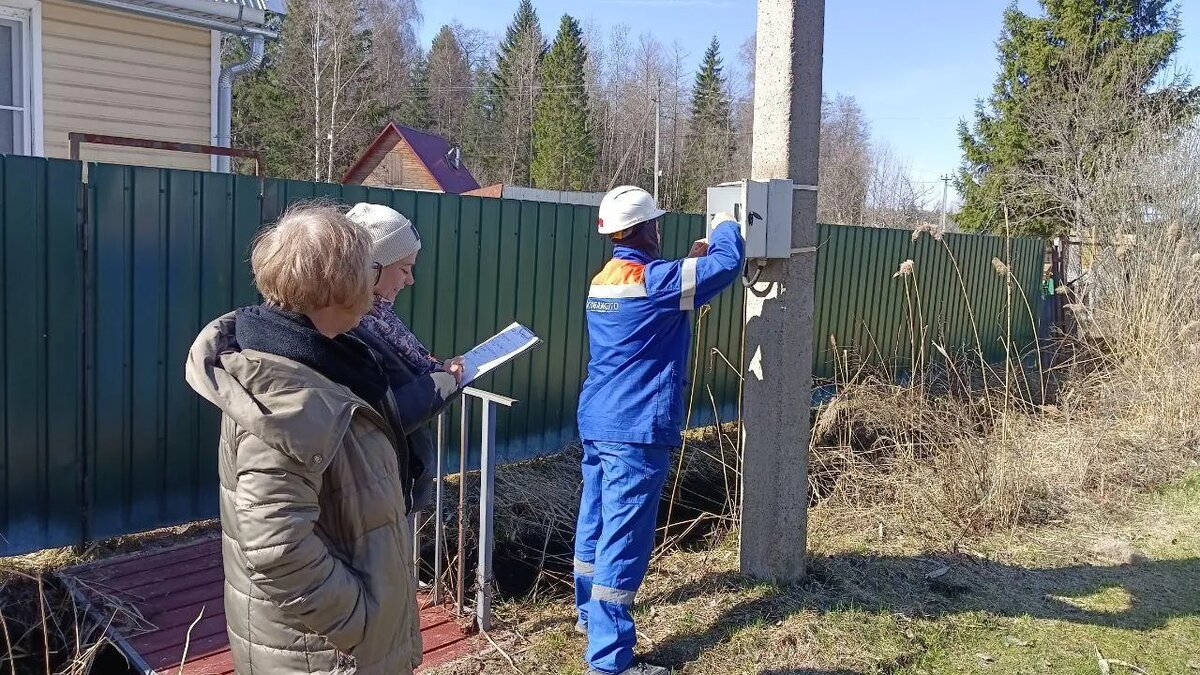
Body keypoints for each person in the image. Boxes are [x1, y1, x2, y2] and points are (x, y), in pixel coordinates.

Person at [184, 203, 422, 675]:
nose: (377, 287)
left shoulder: (329, 360)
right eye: (368, 271)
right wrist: (363, 622)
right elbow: (277, 548)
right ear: (338, 285)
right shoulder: (282, 392)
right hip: (324, 655)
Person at [574, 186, 745, 675]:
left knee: (596, 523)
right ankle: (609, 663)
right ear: (647, 228)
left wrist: (690, 263)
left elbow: (661, 295)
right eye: (656, 223)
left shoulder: (605, 279)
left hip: (599, 420)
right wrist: (726, 227)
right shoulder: (658, 282)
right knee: (624, 538)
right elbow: (727, 266)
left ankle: (589, 617)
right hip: (635, 428)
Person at [347, 202, 463, 514]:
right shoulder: (351, 327)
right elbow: (381, 413)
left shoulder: (379, 317)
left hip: (392, 485)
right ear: (372, 268)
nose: (410, 280)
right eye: (404, 269)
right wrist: (442, 381)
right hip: (377, 493)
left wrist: (435, 370)